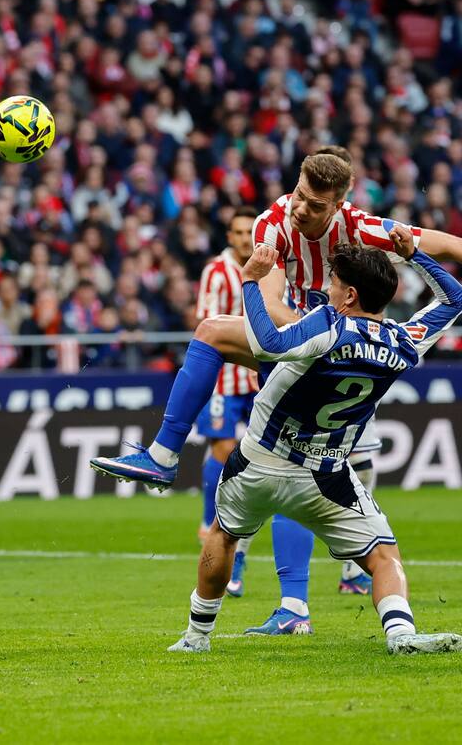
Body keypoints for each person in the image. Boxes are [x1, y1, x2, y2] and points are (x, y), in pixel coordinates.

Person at [91, 150, 462, 632]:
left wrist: (322, 339)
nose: (300, 209)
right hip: (317, 346)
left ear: (340, 203)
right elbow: (272, 316)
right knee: (294, 460)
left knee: (222, 353)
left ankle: (166, 459)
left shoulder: (363, 227)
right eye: (300, 195)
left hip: (325, 349)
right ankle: (300, 604)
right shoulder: (275, 222)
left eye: (315, 204)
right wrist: (315, 340)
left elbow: (451, 242)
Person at [169, 230, 462, 656]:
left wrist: (250, 281)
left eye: (334, 282)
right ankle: (400, 635)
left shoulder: (328, 325)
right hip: (327, 474)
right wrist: (416, 255)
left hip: (261, 461)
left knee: (224, 535)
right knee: (383, 556)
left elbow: (269, 343)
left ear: (350, 295)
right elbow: (454, 299)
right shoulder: (404, 341)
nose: (326, 288)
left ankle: (196, 637)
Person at [193, 208, 258, 597]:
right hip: (223, 376)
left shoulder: (269, 265)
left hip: (257, 375)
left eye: (250, 231)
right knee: (223, 449)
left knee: (256, 453)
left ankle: (230, 532)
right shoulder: (216, 272)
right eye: (237, 232)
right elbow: (205, 322)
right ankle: (208, 522)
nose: (245, 238)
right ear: (229, 235)